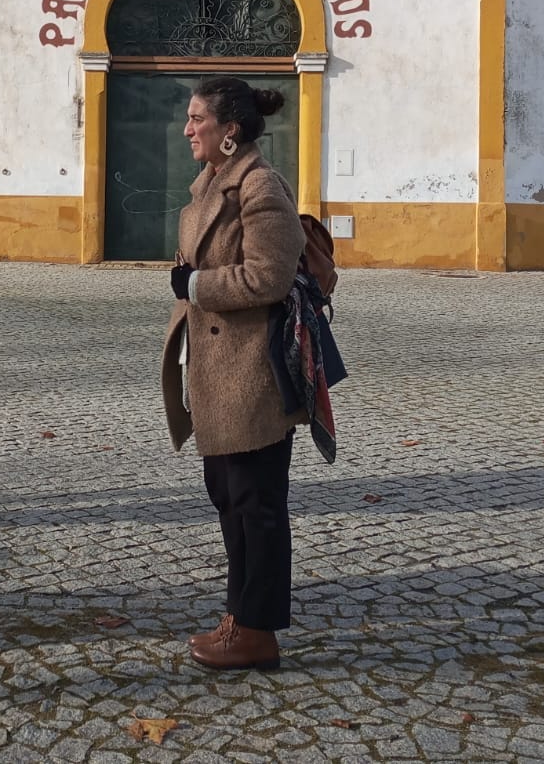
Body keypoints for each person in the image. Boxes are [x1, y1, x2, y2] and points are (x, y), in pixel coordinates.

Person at [161, 76, 306, 672]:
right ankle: (239, 615)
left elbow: (269, 276)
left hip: (253, 372)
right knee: (229, 496)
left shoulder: (260, 186)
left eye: (199, 119)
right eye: (190, 118)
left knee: (256, 503)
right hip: (218, 368)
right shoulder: (214, 183)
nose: (189, 128)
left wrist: (196, 285)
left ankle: (258, 632)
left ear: (231, 131)